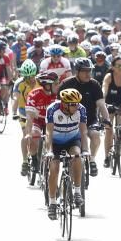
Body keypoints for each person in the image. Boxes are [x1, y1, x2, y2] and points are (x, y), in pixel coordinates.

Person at [45, 89, 89, 220]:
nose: (76, 107)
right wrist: (49, 151)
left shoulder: (81, 109)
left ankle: (77, 192)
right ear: (64, 104)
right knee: (54, 168)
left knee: (77, 156)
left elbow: (83, 131)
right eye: (73, 104)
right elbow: (48, 133)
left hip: (72, 139)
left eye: (77, 103)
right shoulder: (52, 109)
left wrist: (85, 149)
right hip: (56, 142)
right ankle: (52, 203)